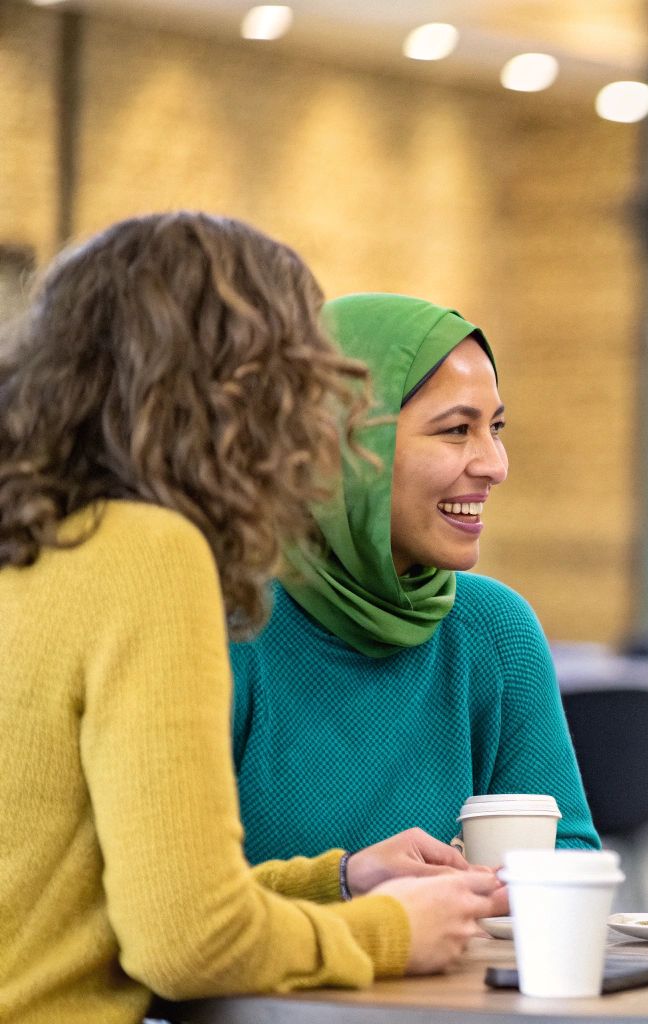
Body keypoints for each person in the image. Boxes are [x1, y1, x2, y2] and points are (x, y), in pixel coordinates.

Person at [0, 213, 500, 1024]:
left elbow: (103, 896)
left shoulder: (36, 539)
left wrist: (336, 880)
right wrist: (386, 931)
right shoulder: (148, 554)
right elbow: (186, 942)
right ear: (243, 391)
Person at [230, 293, 600, 863]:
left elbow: (567, 854)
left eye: (496, 428)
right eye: (456, 430)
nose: (494, 465)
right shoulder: (229, 623)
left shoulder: (494, 629)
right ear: (343, 443)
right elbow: (177, 906)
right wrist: (363, 896)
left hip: (464, 956)